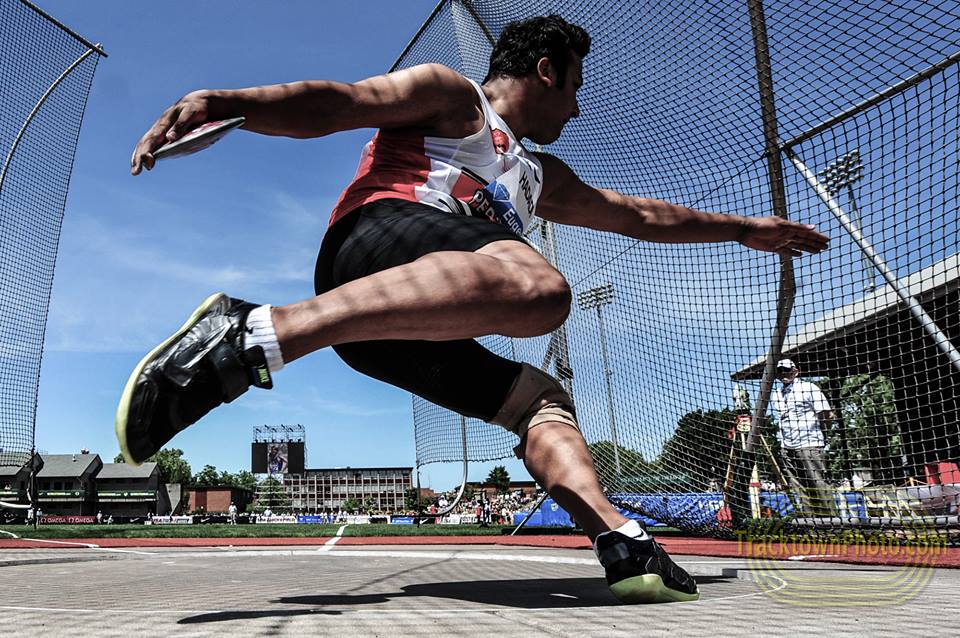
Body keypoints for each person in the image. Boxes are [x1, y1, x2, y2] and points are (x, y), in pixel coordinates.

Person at [118, 15, 828, 603]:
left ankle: (619, 539)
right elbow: (342, 101)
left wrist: (743, 229)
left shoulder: (542, 175)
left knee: (540, 401)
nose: (577, 109)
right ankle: (260, 333)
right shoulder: (454, 97)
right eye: (575, 88)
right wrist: (232, 104)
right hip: (373, 241)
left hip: (389, 324)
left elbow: (636, 214)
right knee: (540, 288)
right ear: (546, 70)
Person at [772, 358, 838, 516]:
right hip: (787, 446)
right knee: (800, 487)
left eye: (786, 370)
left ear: (795, 371)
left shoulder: (809, 387)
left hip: (809, 443)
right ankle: (813, 525)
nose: (783, 374)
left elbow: (827, 414)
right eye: (780, 371)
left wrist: (823, 434)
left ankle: (833, 526)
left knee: (818, 484)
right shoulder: (777, 394)